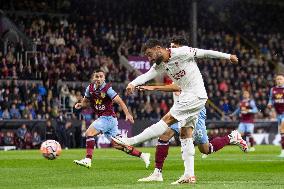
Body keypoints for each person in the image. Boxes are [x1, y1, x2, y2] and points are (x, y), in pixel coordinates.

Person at [113, 38, 247, 184]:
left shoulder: (182, 52)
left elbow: (205, 53)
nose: (149, 58)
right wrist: (132, 83)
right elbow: (146, 76)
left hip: (194, 95)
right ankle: (189, 175)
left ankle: (130, 141)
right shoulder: (161, 64)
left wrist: (228, 56)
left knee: (167, 122)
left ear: (158, 48)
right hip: (189, 97)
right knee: (186, 134)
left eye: (150, 54)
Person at [73, 70, 150, 168]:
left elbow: (120, 101)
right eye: (97, 76)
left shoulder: (107, 89)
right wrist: (80, 104)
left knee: (89, 133)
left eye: (101, 76)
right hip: (108, 119)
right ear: (93, 78)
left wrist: (128, 114)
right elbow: (85, 102)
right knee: (118, 145)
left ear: (104, 78)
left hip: (108, 118)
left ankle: (88, 159)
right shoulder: (90, 88)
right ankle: (143, 155)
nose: (99, 79)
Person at [268, 73, 284, 157]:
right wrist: (270, 104)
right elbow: (271, 99)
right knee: (282, 133)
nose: (279, 80)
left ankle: (283, 151)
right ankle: (282, 151)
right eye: (278, 79)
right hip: (278, 114)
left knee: (282, 129)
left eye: (281, 79)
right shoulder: (273, 89)